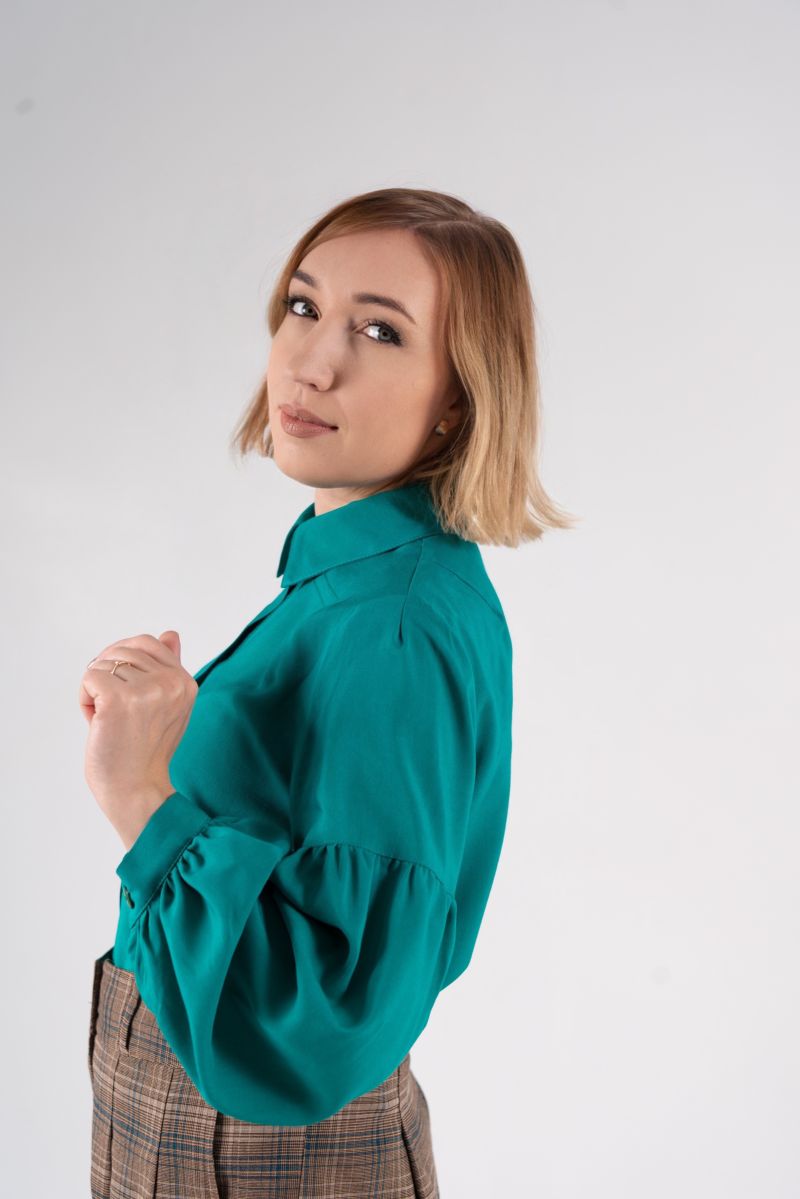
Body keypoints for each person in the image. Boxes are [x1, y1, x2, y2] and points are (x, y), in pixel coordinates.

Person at [82, 186, 575, 1199]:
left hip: (252, 1141)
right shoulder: (352, 577)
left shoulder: (394, 624)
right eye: (303, 307)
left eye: (380, 331)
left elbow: (329, 1009)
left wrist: (139, 794)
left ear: (457, 396)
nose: (311, 361)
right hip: (207, 1114)